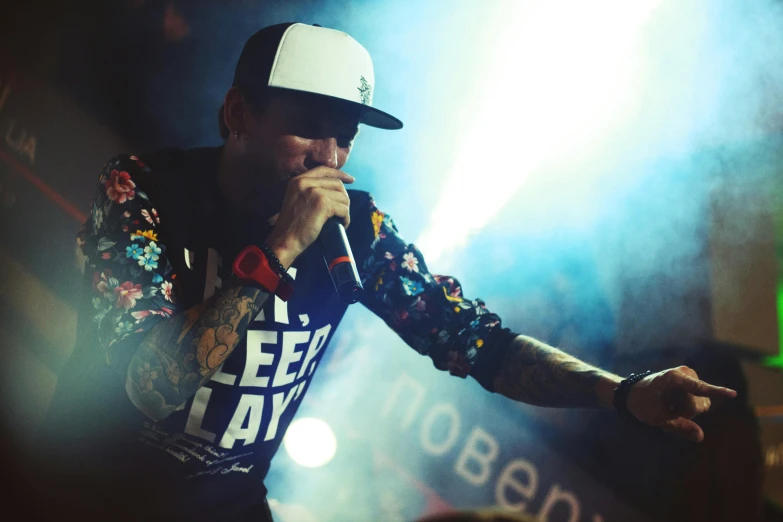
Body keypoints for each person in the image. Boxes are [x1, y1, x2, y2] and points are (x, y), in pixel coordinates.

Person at [38, 22, 737, 521]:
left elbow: (476, 342)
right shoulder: (144, 192)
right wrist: (278, 250)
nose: (330, 157)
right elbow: (149, 384)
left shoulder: (359, 233)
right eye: (309, 124)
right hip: (91, 489)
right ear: (237, 114)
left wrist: (623, 392)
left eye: (345, 135)